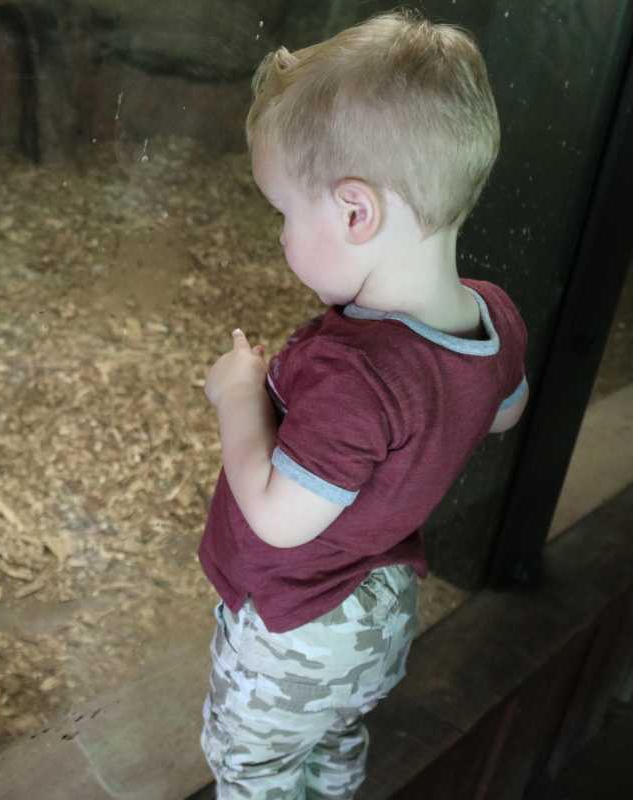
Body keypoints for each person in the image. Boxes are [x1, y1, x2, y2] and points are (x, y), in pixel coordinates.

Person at [198, 9, 528, 799]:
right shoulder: (491, 313)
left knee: (252, 766)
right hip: (382, 610)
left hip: (301, 625)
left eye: (285, 213)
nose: (282, 236)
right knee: (336, 732)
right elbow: (504, 411)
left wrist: (238, 396)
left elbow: (279, 519)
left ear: (355, 212)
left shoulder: (357, 375)